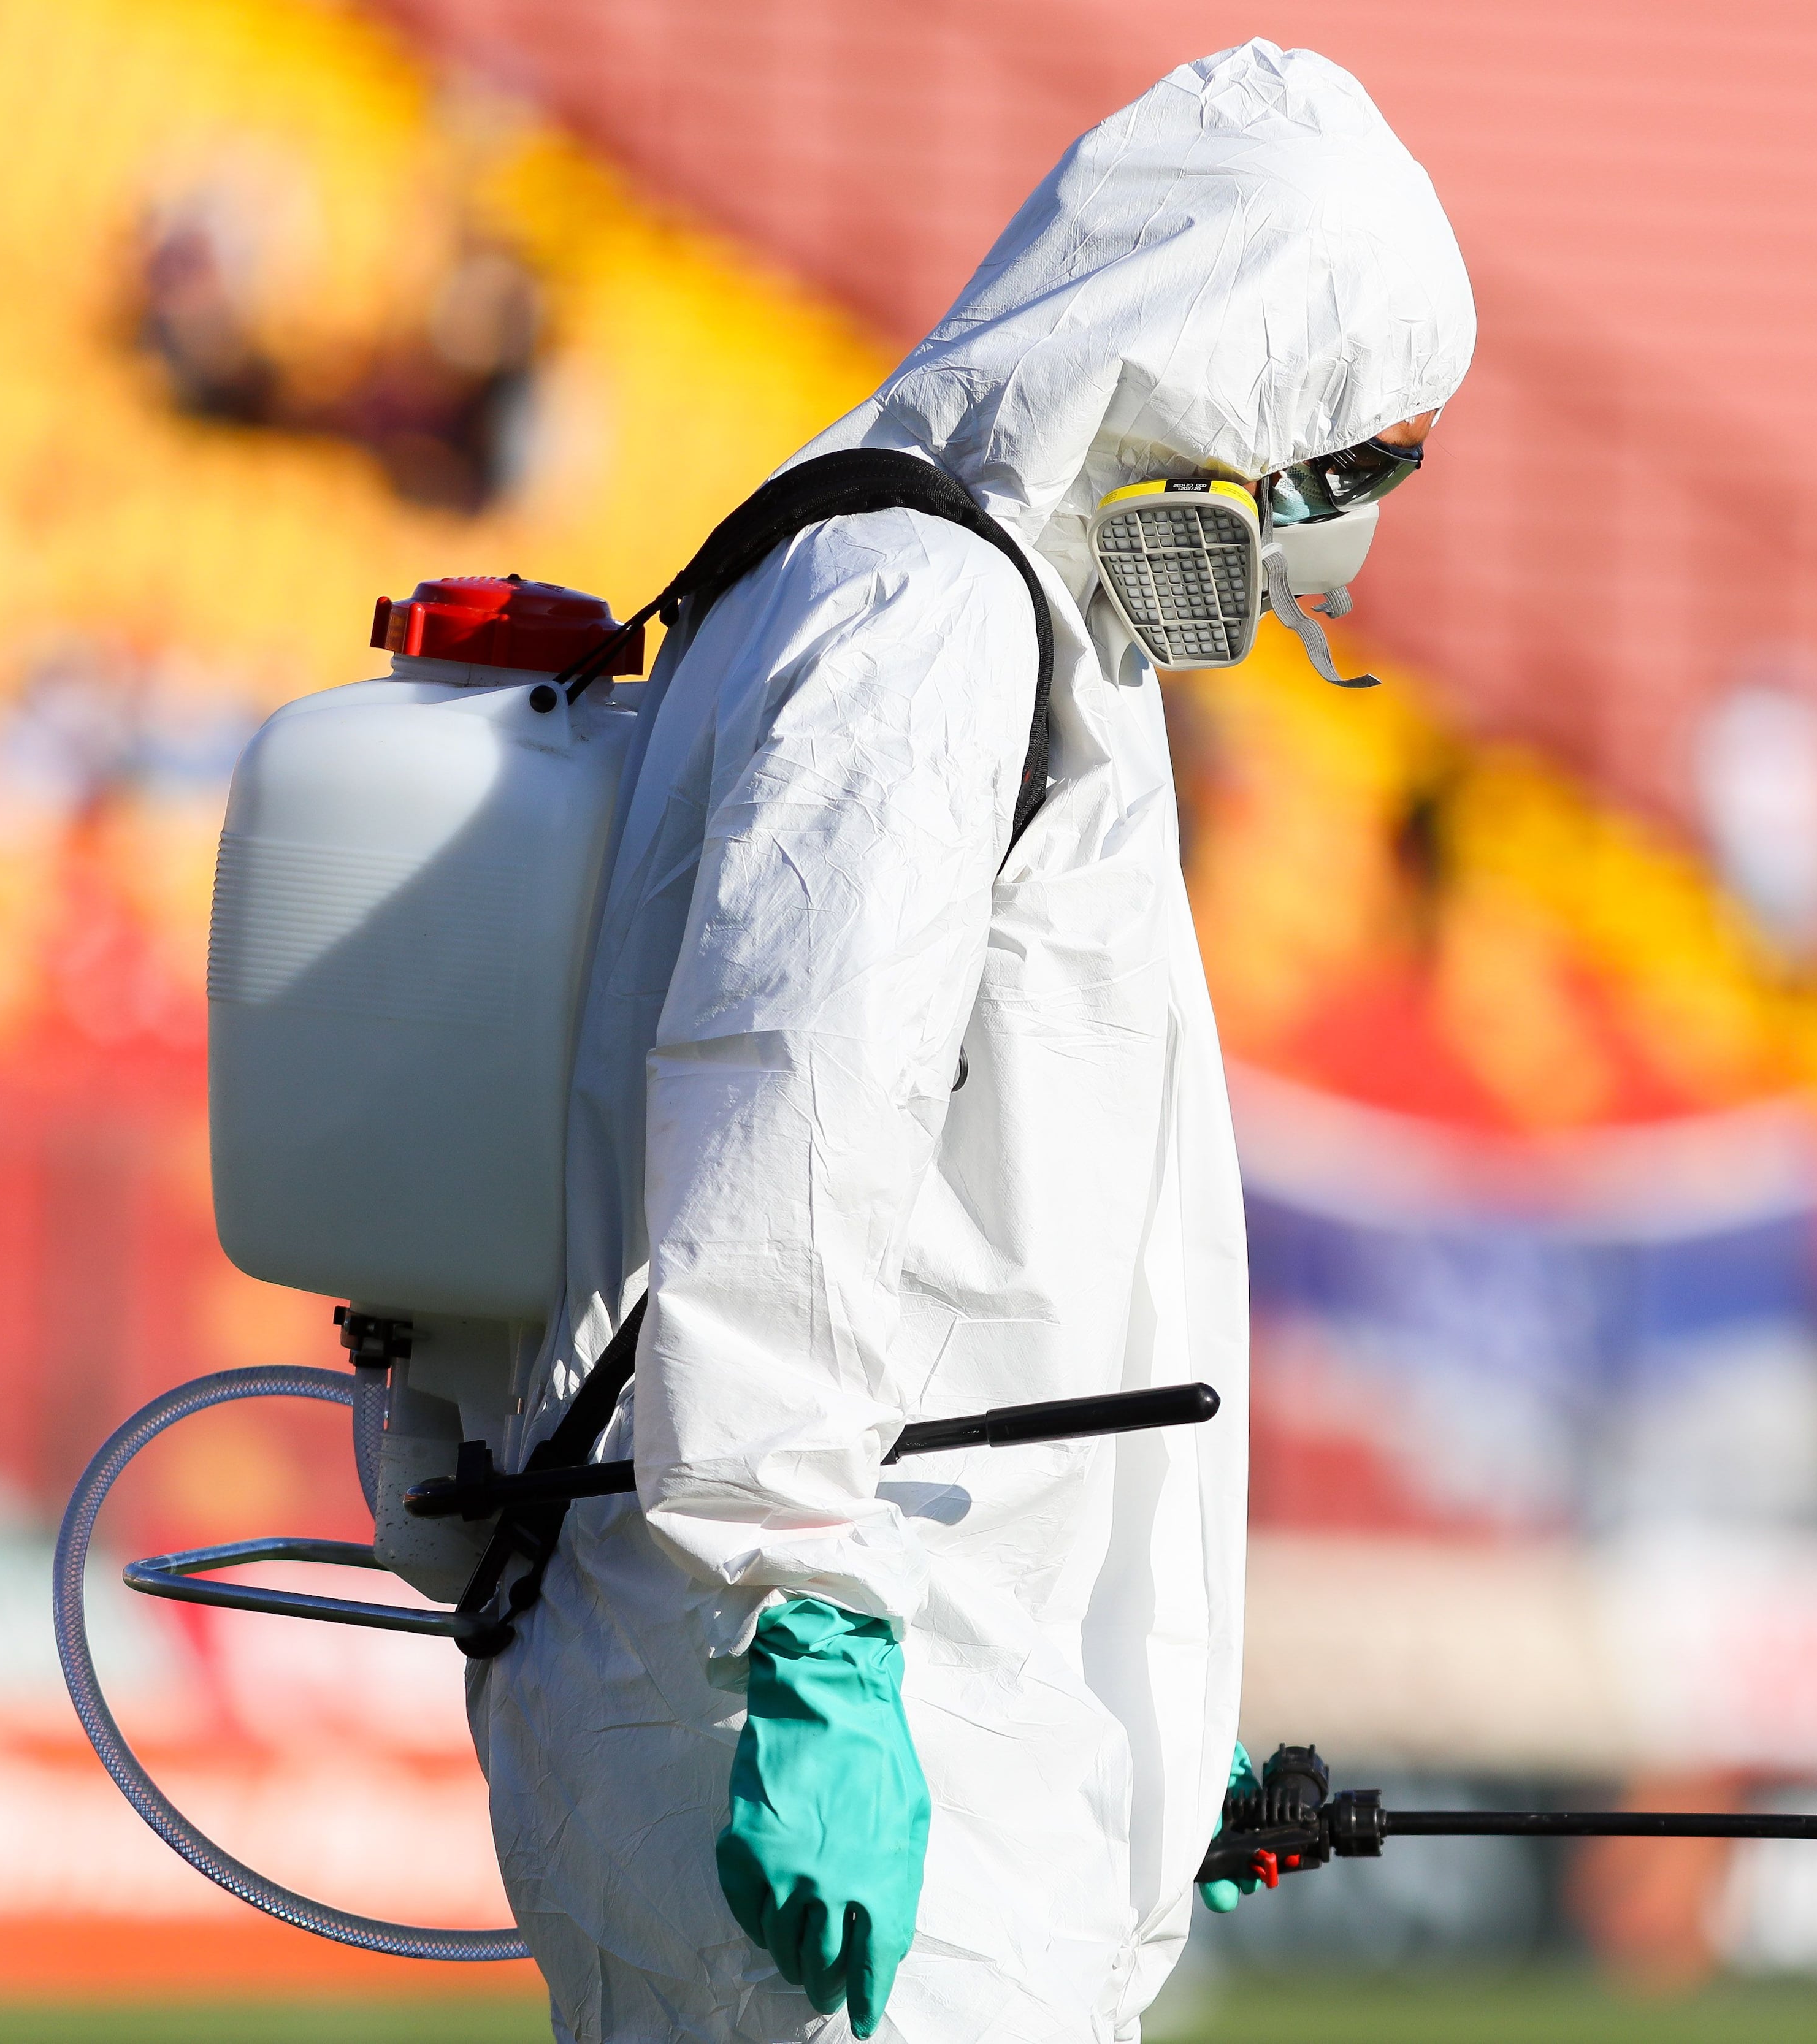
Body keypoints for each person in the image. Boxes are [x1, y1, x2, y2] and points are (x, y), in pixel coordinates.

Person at [469, 39, 1474, 2043]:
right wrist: (815, 1636)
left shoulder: (965, 603)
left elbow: (996, 1231)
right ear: (1223, 373)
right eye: (1348, 462)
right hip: (819, 1684)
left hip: (914, 1673)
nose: (1332, 546)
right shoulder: (931, 616)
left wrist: (1119, 1740)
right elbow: (791, 1119)